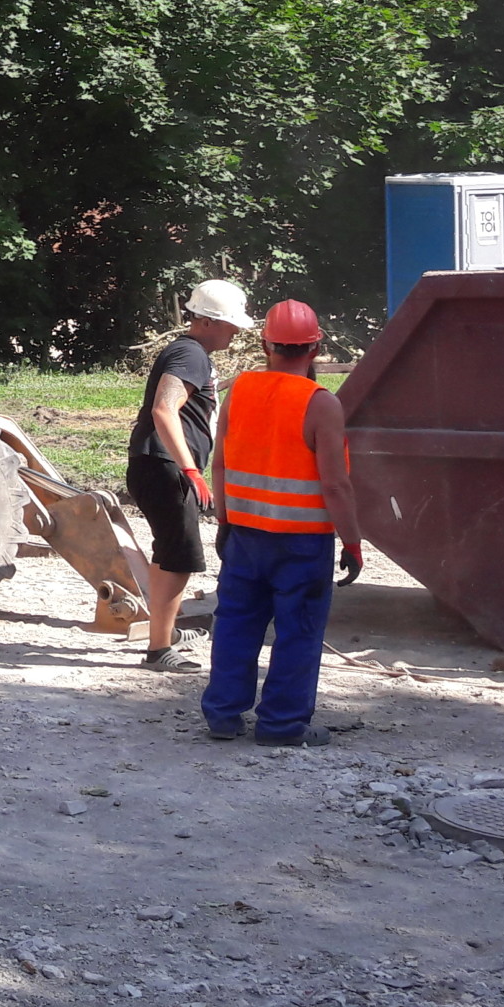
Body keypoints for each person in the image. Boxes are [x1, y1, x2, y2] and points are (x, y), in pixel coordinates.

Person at [201, 299, 364, 747]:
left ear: (265, 345)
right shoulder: (321, 404)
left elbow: (221, 463)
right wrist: (352, 543)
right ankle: (281, 724)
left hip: (244, 535)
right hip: (302, 544)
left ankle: (222, 715)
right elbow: (336, 485)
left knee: (235, 623)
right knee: (298, 632)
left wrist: (224, 520)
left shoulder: (240, 390)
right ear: (316, 348)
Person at [123, 279, 250, 670]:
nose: (235, 331)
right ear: (207, 321)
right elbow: (164, 409)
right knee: (180, 558)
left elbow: (192, 397)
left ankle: (163, 633)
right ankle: (159, 650)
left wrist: (230, 384)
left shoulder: (191, 354)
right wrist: (190, 469)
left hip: (156, 465)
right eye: (230, 323)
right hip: (166, 468)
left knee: (169, 553)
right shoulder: (190, 354)